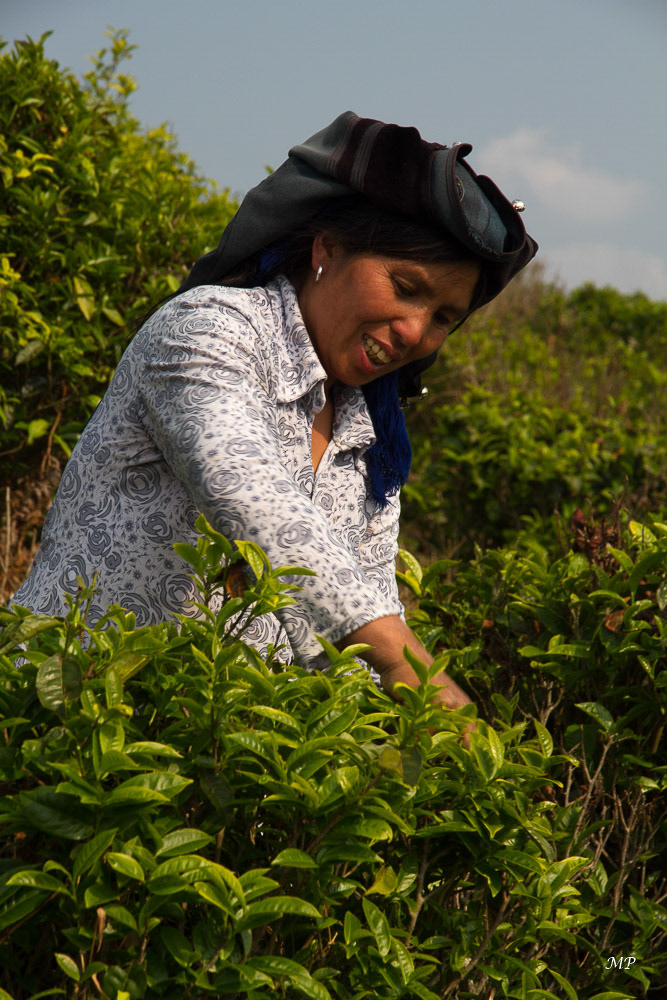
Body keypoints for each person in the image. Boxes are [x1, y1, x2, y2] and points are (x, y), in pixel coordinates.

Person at [11, 112, 537, 717]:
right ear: (327, 249)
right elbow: (255, 500)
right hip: (62, 728)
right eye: (405, 287)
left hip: (208, 759)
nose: (416, 333)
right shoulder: (206, 330)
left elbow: (362, 623)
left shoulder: (369, 439)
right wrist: (408, 669)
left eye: (443, 318)